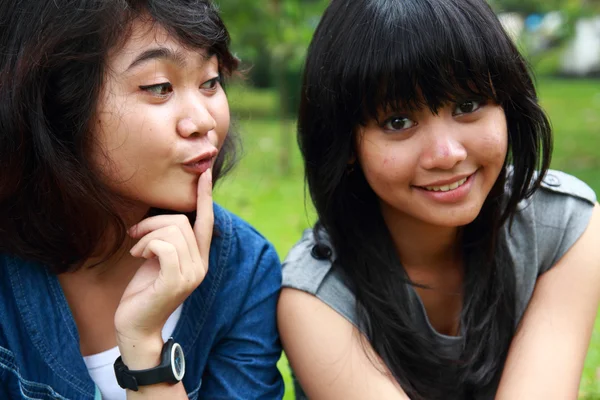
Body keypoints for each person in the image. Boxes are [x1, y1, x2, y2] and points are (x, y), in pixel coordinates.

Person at [278, 0, 600, 399]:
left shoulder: (561, 225)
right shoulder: (318, 297)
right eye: (398, 122)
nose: (447, 153)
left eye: (467, 105)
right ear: (345, 144)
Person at [0, 1, 284, 399]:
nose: (203, 120)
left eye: (210, 81)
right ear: (57, 106)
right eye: (159, 88)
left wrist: (146, 347)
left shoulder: (242, 272)